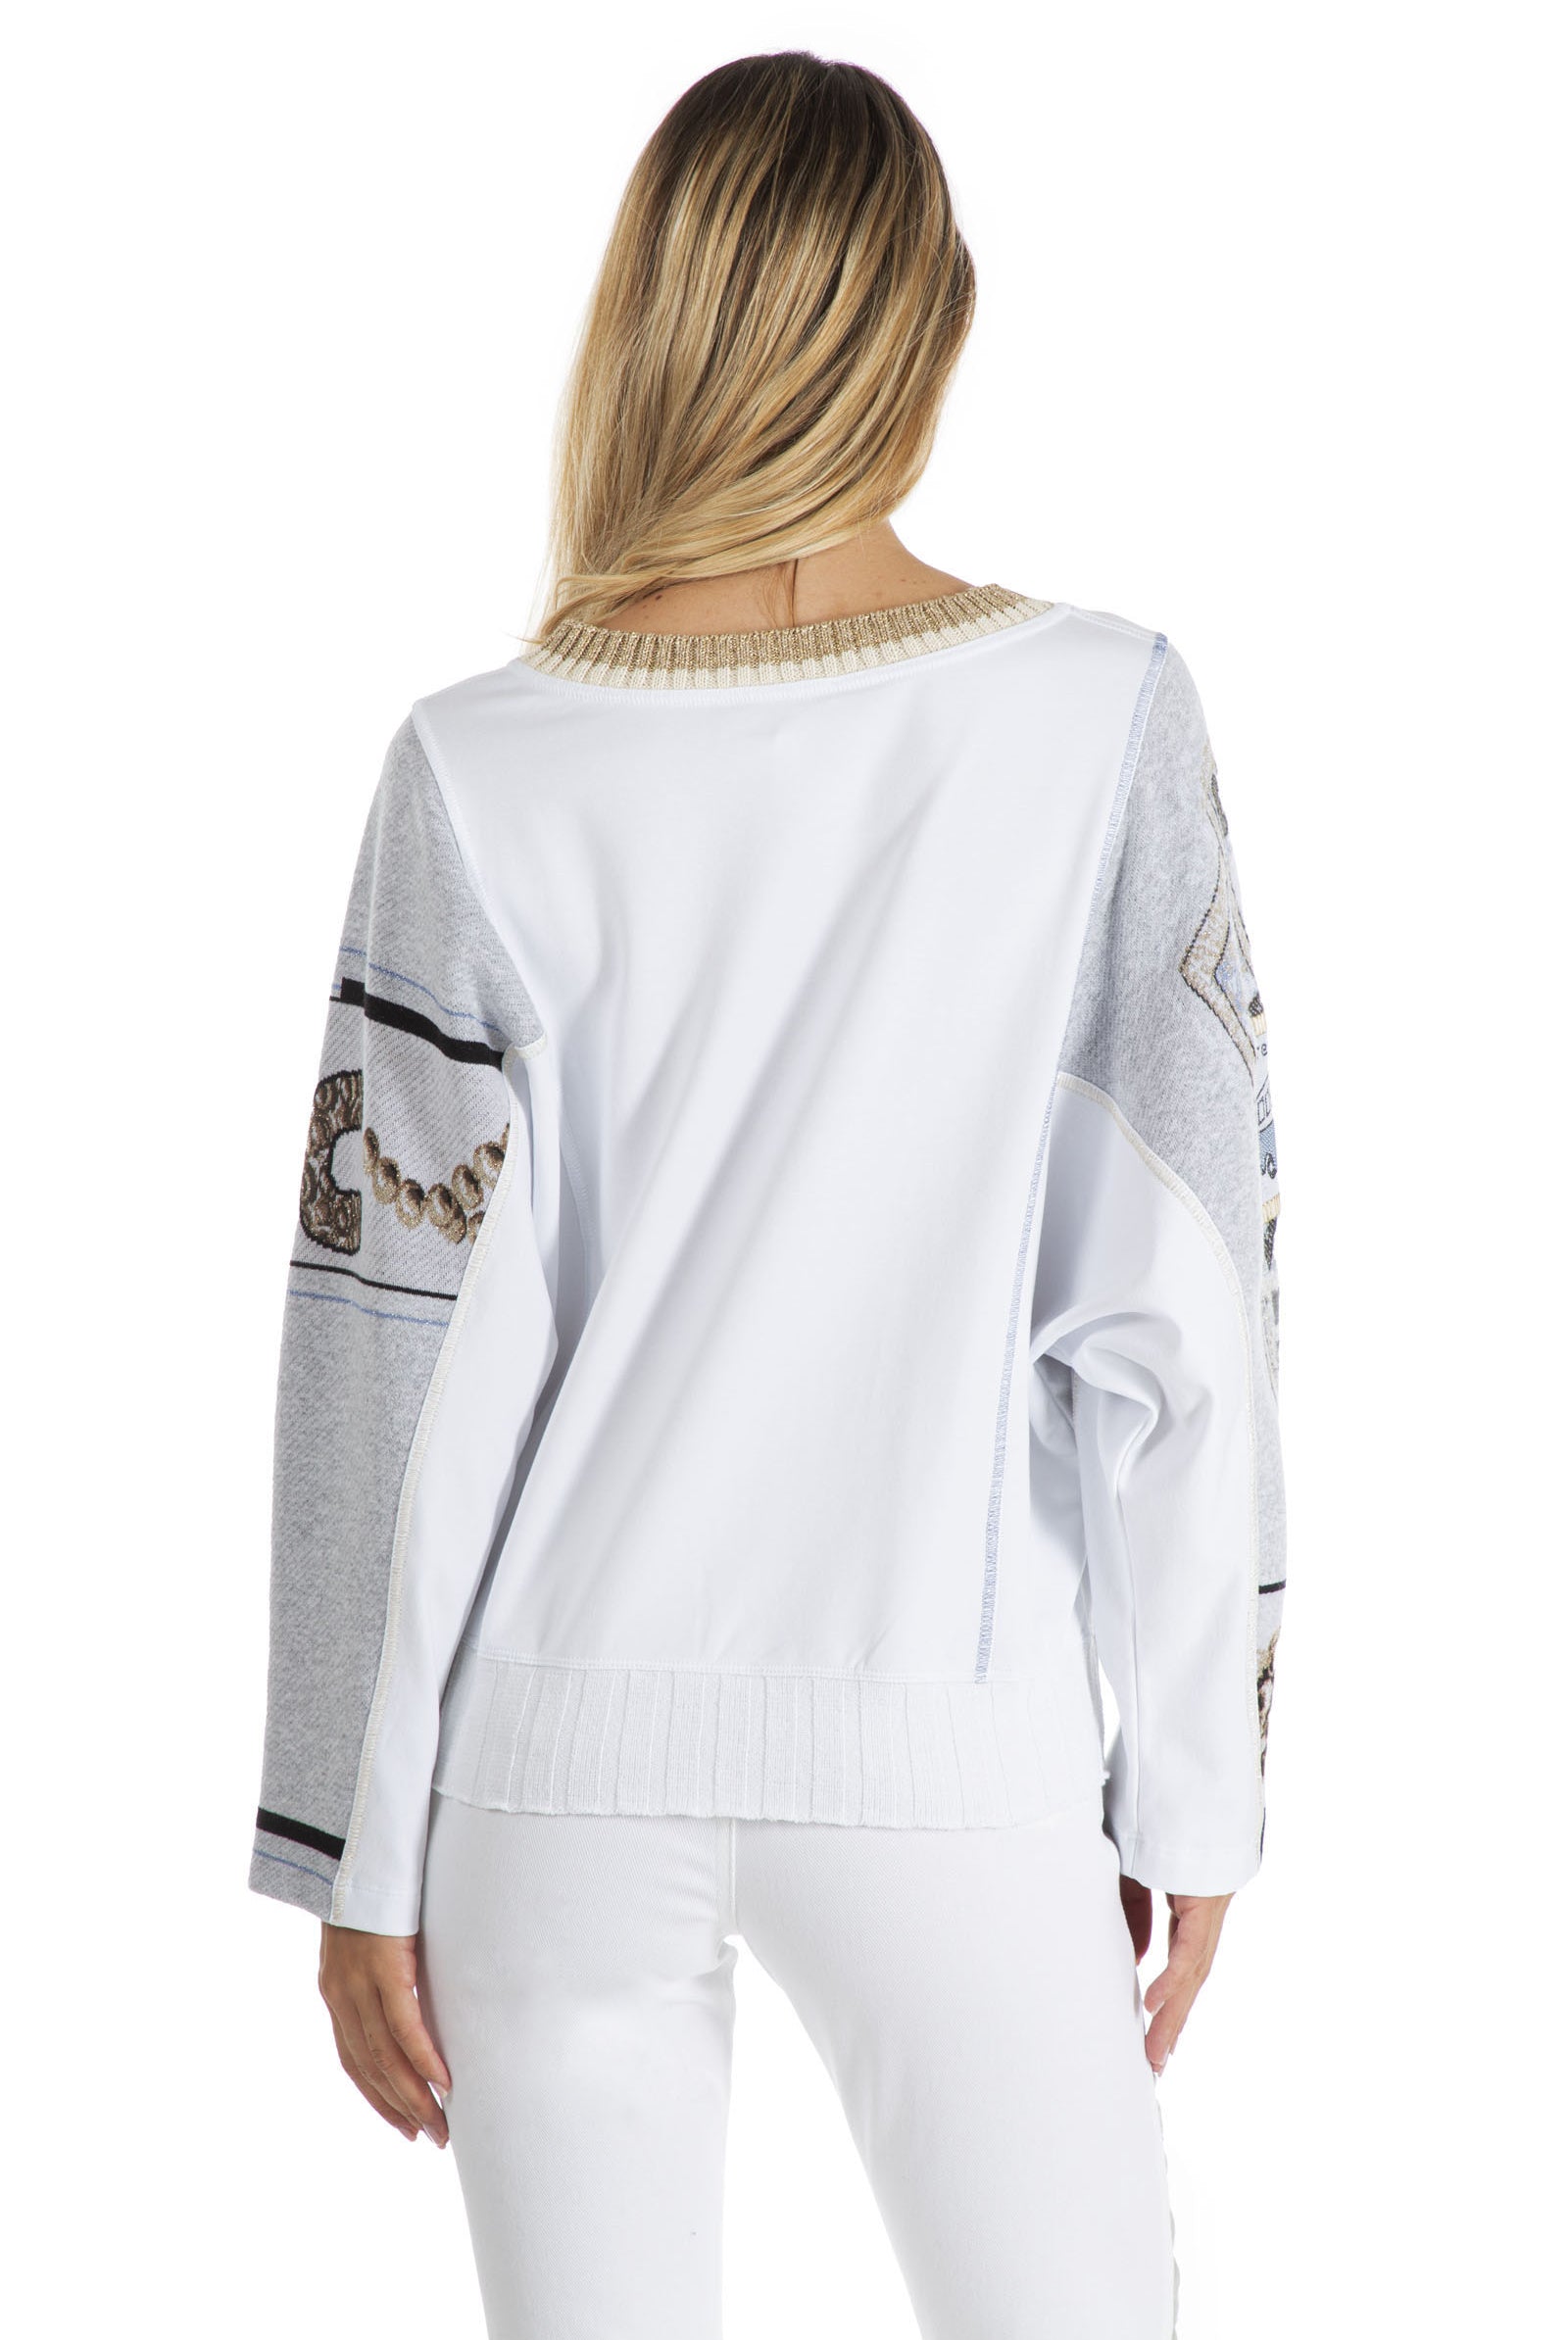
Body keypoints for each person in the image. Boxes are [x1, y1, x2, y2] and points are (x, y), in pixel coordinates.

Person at [248, 49, 1285, 2340]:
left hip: (547, 1760)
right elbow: (1181, 1303)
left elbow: (389, 1347)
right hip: (949, 1739)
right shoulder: (1099, 716)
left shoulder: (478, 762)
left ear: (649, 311)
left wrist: (353, 1842)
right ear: (930, 318)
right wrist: (1193, 1792)